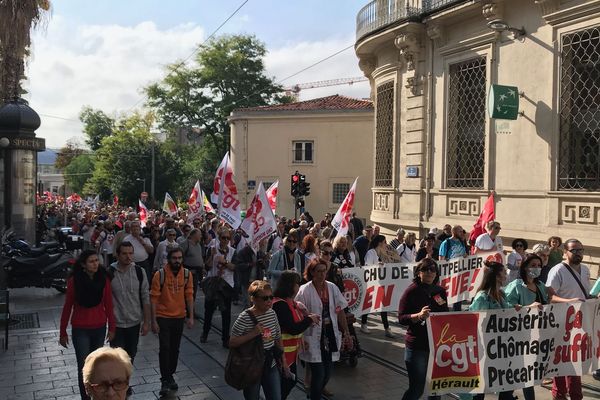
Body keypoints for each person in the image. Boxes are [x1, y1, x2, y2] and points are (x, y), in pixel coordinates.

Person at [469, 261, 532, 400]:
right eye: (504, 272)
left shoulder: (501, 294)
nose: (506, 275)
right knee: (482, 385)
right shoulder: (482, 297)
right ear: (497, 276)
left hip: (502, 348)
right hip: (486, 349)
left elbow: (510, 310)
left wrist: (528, 308)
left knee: (505, 383)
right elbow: (476, 322)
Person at [60, 250, 116, 400]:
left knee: (96, 366)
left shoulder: (104, 279)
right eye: (91, 261)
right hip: (81, 328)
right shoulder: (74, 281)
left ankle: (96, 394)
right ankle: (85, 396)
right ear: (83, 265)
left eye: (97, 261)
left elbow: (109, 305)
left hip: (99, 327)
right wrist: (62, 332)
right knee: (84, 366)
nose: (95, 264)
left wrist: (111, 328)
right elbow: (68, 306)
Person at [296, 259, 351, 400]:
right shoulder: (305, 290)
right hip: (313, 334)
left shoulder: (332, 288)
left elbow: (339, 311)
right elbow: (298, 315)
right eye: (318, 271)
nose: (321, 274)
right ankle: (315, 396)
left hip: (330, 333)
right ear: (312, 272)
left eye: (324, 271)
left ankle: (314, 393)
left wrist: (346, 332)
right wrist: (300, 337)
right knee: (319, 373)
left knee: (327, 373)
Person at [546, 239, 591, 400]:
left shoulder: (585, 270)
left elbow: (585, 294)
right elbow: (550, 296)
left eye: (581, 250)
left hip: (581, 323)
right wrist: (570, 302)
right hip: (561, 323)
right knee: (561, 362)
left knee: (576, 362)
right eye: (574, 250)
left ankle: (575, 395)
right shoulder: (558, 270)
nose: (578, 253)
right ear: (565, 252)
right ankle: (559, 395)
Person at [398, 258, 448, 400]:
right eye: (425, 269)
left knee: (436, 390)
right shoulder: (411, 291)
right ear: (419, 272)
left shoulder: (440, 291)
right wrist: (418, 316)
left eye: (433, 269)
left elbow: (445, 314)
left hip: (437, 346)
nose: (429, 273)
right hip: (417, 347)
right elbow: (401, 318)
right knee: (416, 389)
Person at [107, 241, 150, 396]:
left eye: (130, 253)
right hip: (117, 324)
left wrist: (147, 322)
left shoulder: (139, 271)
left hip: (134, 322)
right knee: (118, 358)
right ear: (117, 254)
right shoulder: (110, 272)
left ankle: (124, 382)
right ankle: (120, 386)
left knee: (130, 356)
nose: (128, 256)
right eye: (124, 253)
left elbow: (145, 297)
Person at [230, 280, 285, 400]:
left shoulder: (272, 313)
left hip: (270, 364)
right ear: (253, 299)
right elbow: (232, 342)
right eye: (265, 298)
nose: (269, 301)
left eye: (271, 297)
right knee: (252, 397)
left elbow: (277, 337)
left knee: (276, 397)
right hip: (252, 366)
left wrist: (284, 363)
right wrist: (253, 333)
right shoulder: (245, 317)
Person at [150, 248, 194, 396]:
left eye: (180, 258)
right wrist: (153, 320)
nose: (177, 260)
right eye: (174, 258)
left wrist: (191, 316)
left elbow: (189, 295)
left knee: (175, 349)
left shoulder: (187, 275)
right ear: (169, 259)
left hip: (179, 316)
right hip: (163, 317)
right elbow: (153, 298)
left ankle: (170, 375)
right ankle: (165, 379)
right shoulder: (160, 275)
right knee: (165, 347)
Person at [273, 271, 319, 400]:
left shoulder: (290, 302)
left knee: (288, 382)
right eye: (297, 284)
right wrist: (309, 319)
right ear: (291, 286)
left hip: (289, 354)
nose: (299, 286)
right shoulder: (281, 305)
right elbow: (292, 328)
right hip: (280, 354)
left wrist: (300, 339)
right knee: (286, 383)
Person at [202, 228, 236, 347]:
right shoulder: (212, 249)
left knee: (226, 313)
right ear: (219, 238)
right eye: (223, 238)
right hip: (213, 284)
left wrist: (225, 262)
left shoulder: (232, 251)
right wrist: (212, 256)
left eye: (228, 238)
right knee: (209, 311)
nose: (226, 240)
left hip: (226, 285)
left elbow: (234, 267)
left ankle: (225, 338)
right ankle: (205, 333)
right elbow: (207, 267)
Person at [360, 235, 394, 337]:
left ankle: (387, 327)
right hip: (371, 283)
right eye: (384, 242)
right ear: (379, 243)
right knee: (369, 304)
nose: (386, 244)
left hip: (379, 283)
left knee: (383, 305)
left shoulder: (379, 253)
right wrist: (377, 266)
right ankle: (364, 324)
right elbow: (368, 266)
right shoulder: (371, 252)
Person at [179, 228, 205, 303]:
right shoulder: (185, 244)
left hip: (197, 273)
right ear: (194, 235)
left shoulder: (198, 245)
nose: (201, 236)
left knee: (193, 292)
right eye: (199, 235)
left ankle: (191, 309)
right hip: (188, 273)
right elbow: (179, 257)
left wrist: (202, 266)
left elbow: (199, 256)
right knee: (187, 292)